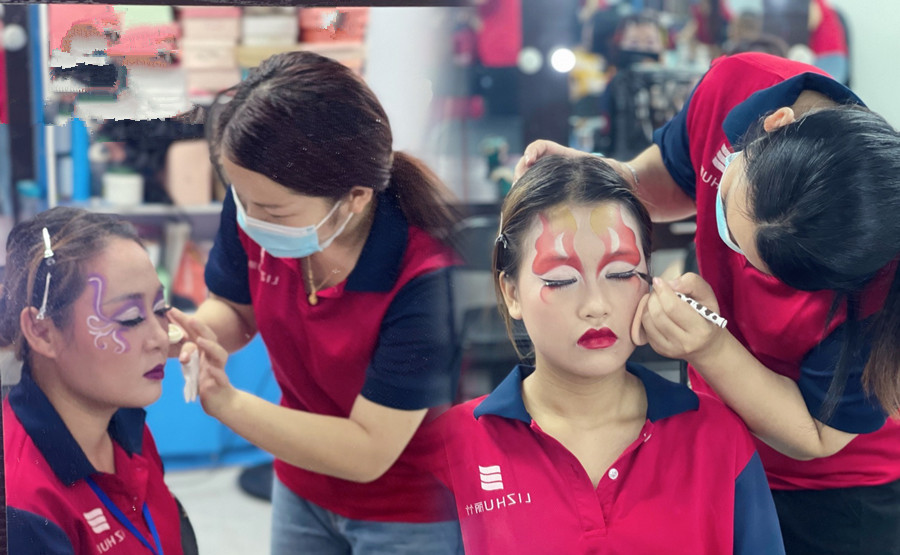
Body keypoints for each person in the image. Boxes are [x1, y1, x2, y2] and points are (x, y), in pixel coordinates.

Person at [516, 52, 900, 554]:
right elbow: (674, 176)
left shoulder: (879, 281)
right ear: (774, 122)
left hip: (837, 497)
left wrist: (712, 347)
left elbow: (814, 434)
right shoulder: (737, 86)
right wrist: (612, 178)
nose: (729, 255)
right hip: (716, 446)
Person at [169, 50, 463, 554]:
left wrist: (230, 404)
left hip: (410, 509)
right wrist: (190, 333)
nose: (251, 221)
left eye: (273, 212)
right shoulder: (256, 205)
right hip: (301, 481)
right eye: (242, 200)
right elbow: (236, 311)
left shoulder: (428, 278)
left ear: (355, 197)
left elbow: (368, 450)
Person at [424, 155, 784, 553]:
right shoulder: (448, 448)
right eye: (561, 280)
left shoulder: (716, 437)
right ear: (512, 293)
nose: (596, 305)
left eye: (621, 274)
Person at [0, 207, 194, 554]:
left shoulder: (126, 424)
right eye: (130, 318)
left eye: (160, 309)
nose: (160, 339)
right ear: (42, 332)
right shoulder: (21, 505)